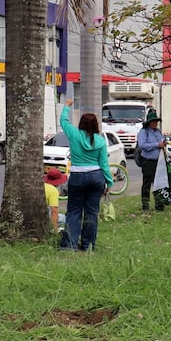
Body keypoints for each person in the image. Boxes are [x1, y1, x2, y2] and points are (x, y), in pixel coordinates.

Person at [58, 99, 113, 250]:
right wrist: (109, 182)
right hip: (96, 177)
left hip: (77, 177)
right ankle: (88, 245)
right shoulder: (100, 141)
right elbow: (104, 164)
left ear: (81, 124)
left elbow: (63, 121)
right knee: (92, 212)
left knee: (74, 211)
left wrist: (67, 106)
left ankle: (70, 244)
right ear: (96, 125)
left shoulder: (74, 134)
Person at [136, 108, 167, 212]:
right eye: (153, 122)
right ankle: (145, 205)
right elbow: (142, 145)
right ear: (149, 122)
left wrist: (163, 144)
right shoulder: (144, 132)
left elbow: (161, 143)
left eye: (156, 122)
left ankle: (159, 204)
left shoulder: (158, 132)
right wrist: (157, 145)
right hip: (148, 161)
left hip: (159, 161)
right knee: (147, 183)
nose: (155, 123)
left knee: (159, 183)